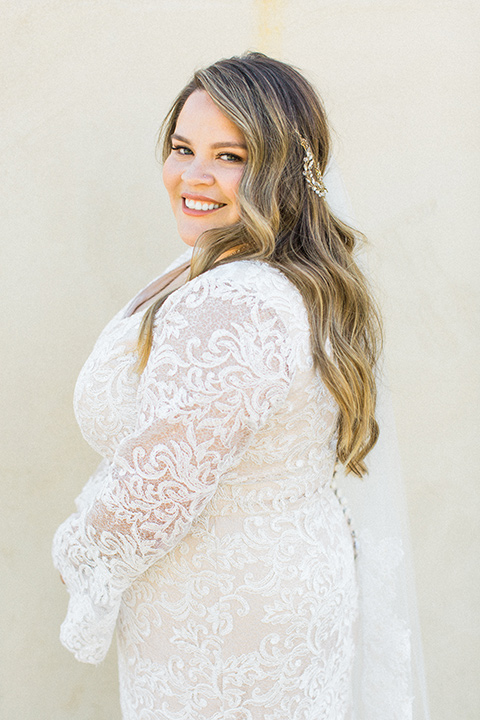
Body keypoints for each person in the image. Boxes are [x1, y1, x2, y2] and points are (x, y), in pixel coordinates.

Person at [52, 52, 428, 719]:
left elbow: (150, 493)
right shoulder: (257, 269)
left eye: (231, 156)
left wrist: (75, 549)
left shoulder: (235, 300)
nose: (193, 176)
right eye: (182, 147)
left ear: (286, 171)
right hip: (267, 591)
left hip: (225, 619)